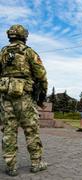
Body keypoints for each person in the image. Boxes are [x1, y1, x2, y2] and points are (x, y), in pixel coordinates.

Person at [0, 24, 48, 176]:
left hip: (6, 98)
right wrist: (41, 97)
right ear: (24, 36)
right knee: (31, 131)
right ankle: (36, 163)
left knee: (8, 132)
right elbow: (41, 76)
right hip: (25, 99)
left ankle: (11, 167)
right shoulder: (29, 52)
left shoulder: (3, 52)